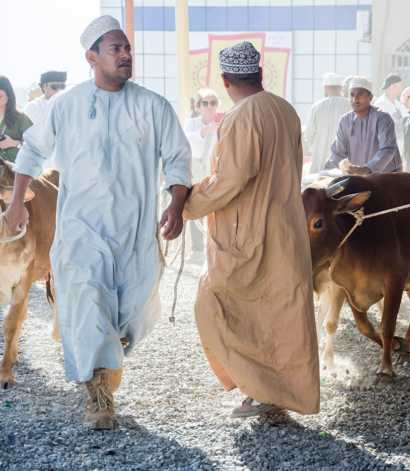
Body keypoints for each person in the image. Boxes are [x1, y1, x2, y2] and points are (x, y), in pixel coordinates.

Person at [5, 16, 192, 430]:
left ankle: (106, 361)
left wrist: (176, 204)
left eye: (127, 48)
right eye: (116, 49)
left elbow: (178, 158)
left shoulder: (152, 106)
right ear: (92, 57)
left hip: (136, 229)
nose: (126, 55)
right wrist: (17, 203)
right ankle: (98, 395)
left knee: (134, 314)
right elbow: (32, 153)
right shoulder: (66, 105)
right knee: (87, 298)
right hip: (81, 228)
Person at [182, 41, 320, 418]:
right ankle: (280, 393)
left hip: (251, 235)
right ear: (261, 74)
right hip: (286, 230)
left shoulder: (241, 116)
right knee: (282, 314)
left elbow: (229, 181)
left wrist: (185, 205)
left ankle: (262, 393)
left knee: (215, 305)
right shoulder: (285, 109)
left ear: (225, 80)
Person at [325, 77, 403, 175]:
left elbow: (387, 148)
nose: (355, 99)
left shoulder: (382, 118)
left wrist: (367, 168)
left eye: (360, 94)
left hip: (386, 176)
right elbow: (338, 153)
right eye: (352, 95)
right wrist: (327, 173)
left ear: (370, 97)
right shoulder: (345, 121)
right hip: (361, 178)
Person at [183, 88, 220, 263]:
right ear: (198, 107)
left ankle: (213, 249)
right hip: (196, 171)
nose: (209, 106)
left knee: (216, 210)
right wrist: (205, 131)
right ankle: (197, 251)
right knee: (194, 208)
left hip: (214, 172)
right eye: (205, 103)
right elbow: (185, 140)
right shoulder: (192, 123)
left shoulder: (223, 126)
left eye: (213, 103)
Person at [305, 73, 350, 175]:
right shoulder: (349, 106)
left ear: (325, 88)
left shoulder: (316, 107)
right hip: (343, 162)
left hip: (320, 161)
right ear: (341, 88)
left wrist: (318, 146)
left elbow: (309, 135)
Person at [0, 76, 33, 163]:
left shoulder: (20, 117)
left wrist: (15, 143)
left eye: (0, 96)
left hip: (16, 172)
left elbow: (36, 145)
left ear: (9, 96)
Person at [375, 74, 407, 155]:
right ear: (393, 86)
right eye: (400, 85)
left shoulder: (397, 104)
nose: (402, 88)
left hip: (399, 149)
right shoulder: (381, 104)